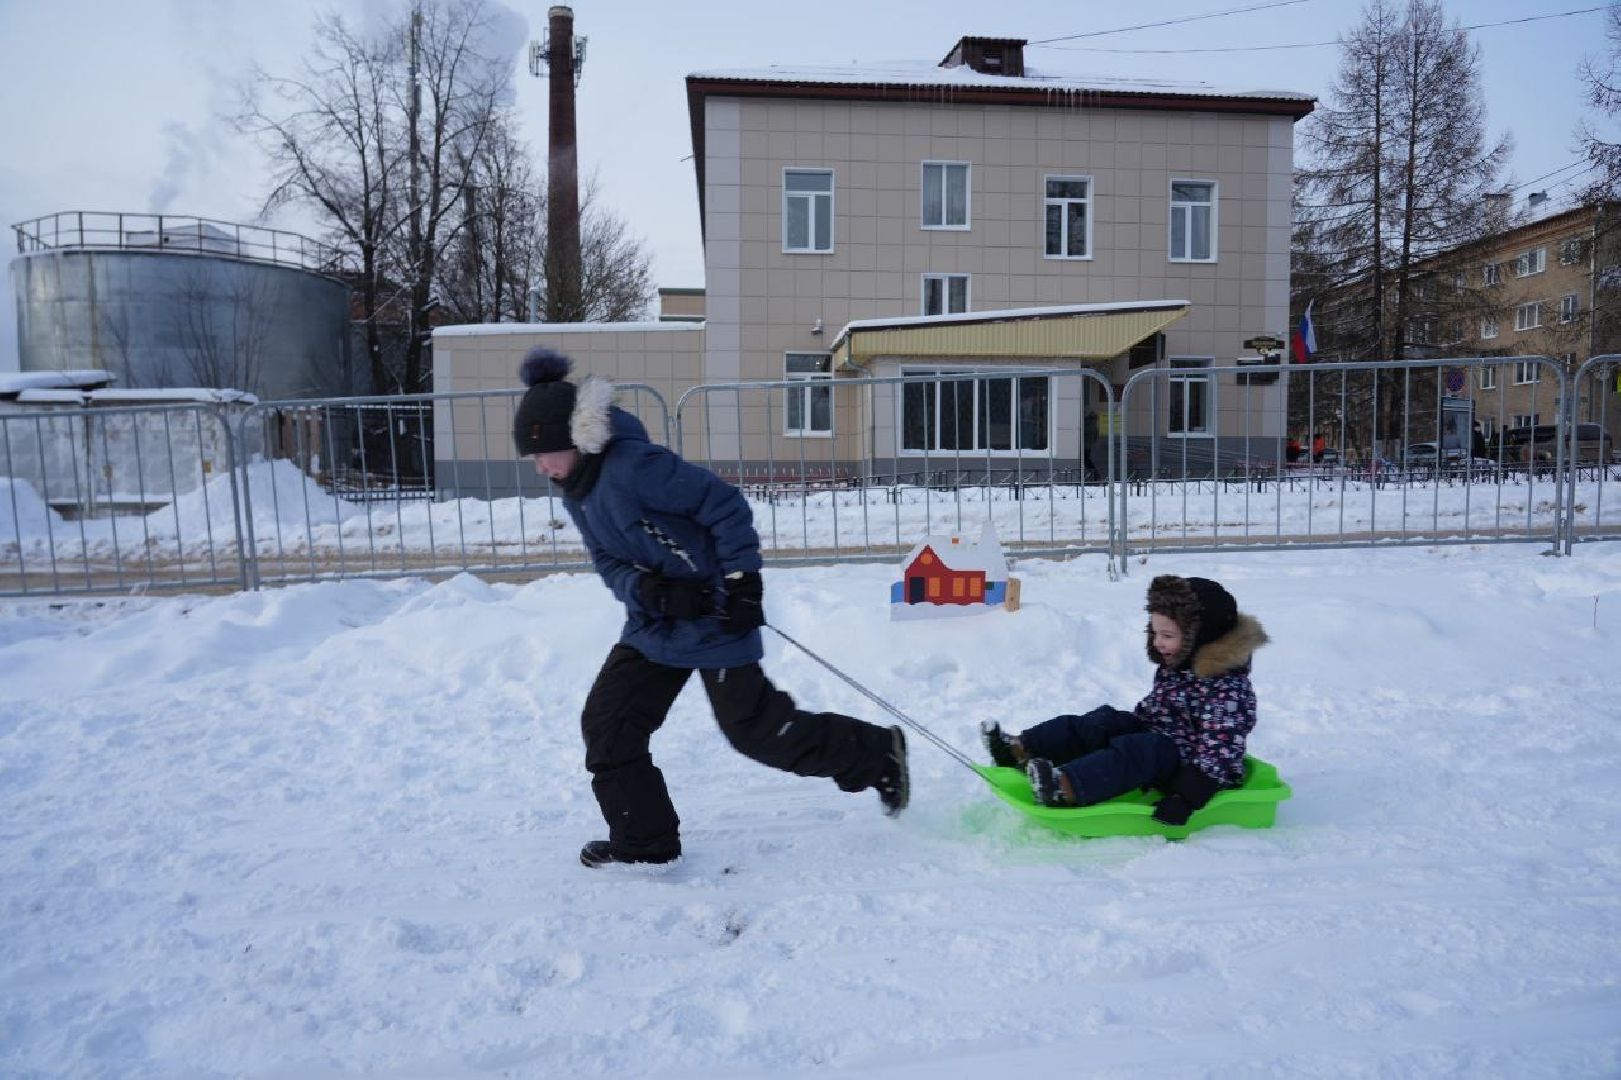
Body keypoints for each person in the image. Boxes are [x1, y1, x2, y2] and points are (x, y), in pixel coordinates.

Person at [512, 347, 910, 868]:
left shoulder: (637, 467)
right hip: (655, 625)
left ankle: (876, 753)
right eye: (534, 458)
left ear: (578, 438)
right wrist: (649, 592)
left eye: (546, 453)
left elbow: (724, 506)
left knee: (757, 732)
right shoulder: (577, 492)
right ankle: (645, 840)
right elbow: (609, 563)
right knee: (608, 725)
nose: (541, 466)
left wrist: (743, 583)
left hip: (718, 614)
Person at [980, 575, 1267, 826]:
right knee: (1104, 722)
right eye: (1154, 632)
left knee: (1140, 750)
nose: (1158, 642)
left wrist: (1187, 797)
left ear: (1202, 638)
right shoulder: (1180, 661)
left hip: (1196, 770)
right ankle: (1019, 749)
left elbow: (1221, 752)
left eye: (1167, 635)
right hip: (1160, 737)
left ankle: (1064, 788)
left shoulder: (1228, 690)